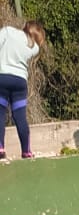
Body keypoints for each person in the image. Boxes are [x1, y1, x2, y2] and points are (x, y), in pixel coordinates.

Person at [0, 20, 46, 161]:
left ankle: (0, 147)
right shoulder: (34, 48)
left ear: (25, 26)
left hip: (2, 78)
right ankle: (26, 151)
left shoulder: (8, 31)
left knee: (0, 113)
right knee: (20, 117)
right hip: (20, 82)